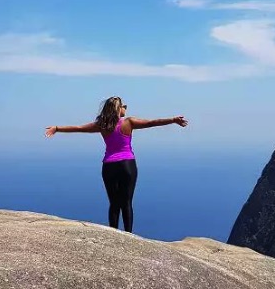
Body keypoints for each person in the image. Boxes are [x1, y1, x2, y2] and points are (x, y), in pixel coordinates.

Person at [44, 96, 188, 233]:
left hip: (109, 166)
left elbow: (79, 128)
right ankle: (128, 235)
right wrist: (173, 120)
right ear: (118, 109)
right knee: (127, 202)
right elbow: (152, 123)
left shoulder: (102, 125)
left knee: (114, 203)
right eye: (123, 105)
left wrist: (57, 128)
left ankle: (113, 233)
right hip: (127, 165)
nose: (125, 107)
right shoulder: (128, 122)